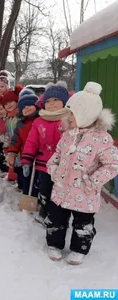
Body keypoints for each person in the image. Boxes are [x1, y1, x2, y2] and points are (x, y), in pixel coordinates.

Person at [46, 82, 118, 265]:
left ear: (86, 115)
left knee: (83, 224)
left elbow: (112, 165)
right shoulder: (67, 134)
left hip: (84, 193)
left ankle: (79, 249)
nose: (68, 118)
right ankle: (54, 244)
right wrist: (53, 168)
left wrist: (92, 182)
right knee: (56, 219)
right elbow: (56, 155)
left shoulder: (101, 139)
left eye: (72, 114)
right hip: (61, 189)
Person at [21, 81, 70, 226]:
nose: (52, 103)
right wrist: (27, 161)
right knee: (44, 190)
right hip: (44, 165)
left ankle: (58, 216)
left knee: (60, 191)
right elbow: (31, 142)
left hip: (63, 166)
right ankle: (43, 212)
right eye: (48, 101)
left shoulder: (69, 120)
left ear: (64, 102)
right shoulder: (39, 122)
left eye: (56, 100)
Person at [7, 89, 40, 196]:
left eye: (29, 105)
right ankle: (27, 197)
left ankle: (39, 198)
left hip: (40, 158)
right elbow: (15, 140)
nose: (27, 108)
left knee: (38, 181)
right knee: (27, 179)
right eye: (23, 107)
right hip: (26, 158)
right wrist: (11, 152)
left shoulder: (41, 120)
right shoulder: (20, 124)